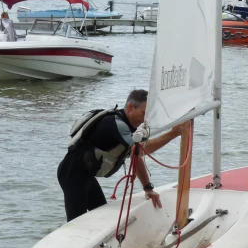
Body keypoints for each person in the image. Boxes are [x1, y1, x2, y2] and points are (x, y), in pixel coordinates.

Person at [57, 89, 182, 222]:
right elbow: (142, 150)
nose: (145, 118)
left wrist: (148, 188)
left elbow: (136, 156)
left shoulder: (129, 127)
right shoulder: (117, 124)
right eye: (143, 112)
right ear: (130, 107)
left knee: (101, 218)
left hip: (86, 175)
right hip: (71, 174)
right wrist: (173, 133)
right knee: (75, 223)